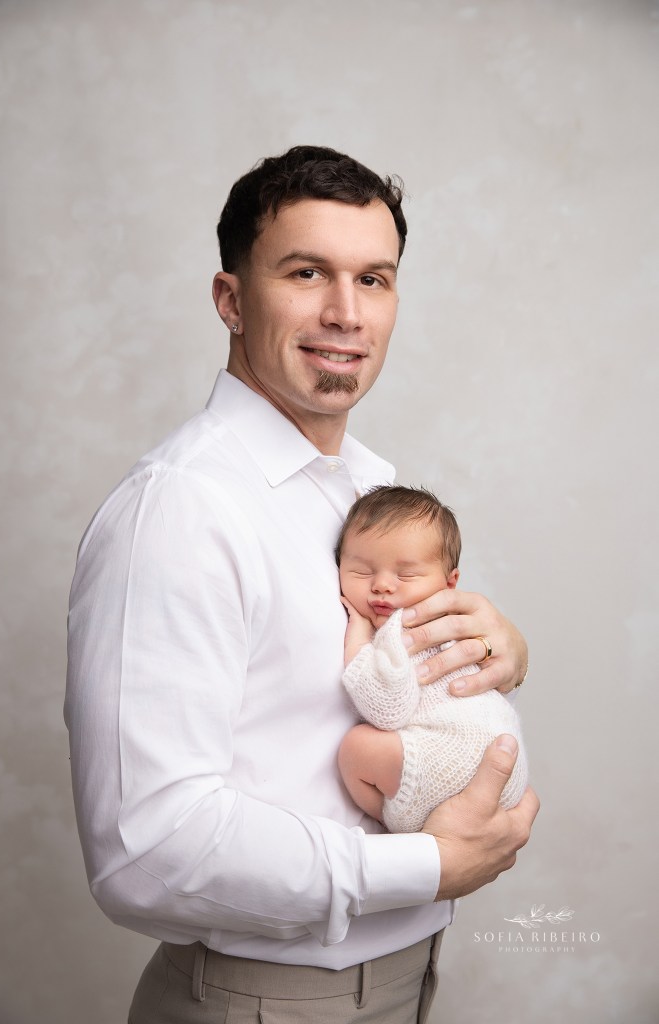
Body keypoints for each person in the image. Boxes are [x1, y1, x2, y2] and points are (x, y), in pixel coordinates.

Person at [65, 145, 538, 1024]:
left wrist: (501, 655)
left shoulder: (366, 490)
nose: (344, 312)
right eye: (307, 271)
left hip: (402, 977)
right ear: (231, 300)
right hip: (267, 1001)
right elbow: (146, 851)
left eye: (375, 279)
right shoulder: (180, 511)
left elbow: (365, 701)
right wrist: (426, 868)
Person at [336, 484, 528, 834]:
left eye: (405, 575)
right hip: (505, 760)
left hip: (453, 760)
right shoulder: (463, 624)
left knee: (356, 749)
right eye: (362, 572)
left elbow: (386, 709)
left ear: (450, 582)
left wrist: (359, 636)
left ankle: (402, 822)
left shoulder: (405, 626)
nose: (382, 586)